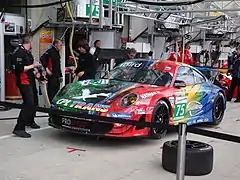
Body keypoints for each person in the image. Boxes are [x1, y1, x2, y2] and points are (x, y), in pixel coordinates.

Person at [11, 34, 41, 138]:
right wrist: (33, 65)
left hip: (30, 80)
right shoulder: (19, 53)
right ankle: (19, 128)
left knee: (35, 102)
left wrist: (37, 74)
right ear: (29, 41)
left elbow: (30, 68)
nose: (33, 43)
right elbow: (20, 69)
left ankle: (30, 121)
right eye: (32, 41)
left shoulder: (28, 53)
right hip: (23, 82)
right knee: (29, 103)